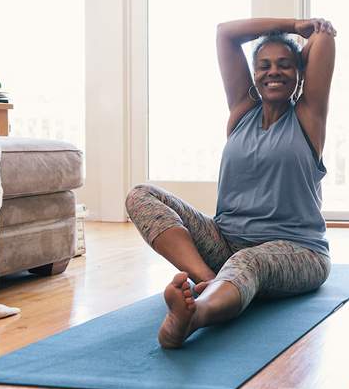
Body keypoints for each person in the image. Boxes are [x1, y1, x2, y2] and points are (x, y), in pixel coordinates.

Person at [125, 18, 336, 348]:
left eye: (285, 66)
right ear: (254, 75)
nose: (273, 72)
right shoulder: (241, 112)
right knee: (142, 195)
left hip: (298, 250)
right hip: (226, 240)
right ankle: (207, 279)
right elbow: (226, 33)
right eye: (264, 66)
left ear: (300, 74)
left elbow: (323, 38)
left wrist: (306, 33)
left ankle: (195, 316)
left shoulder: (308, 118)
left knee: (247, 261)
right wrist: (293, 24)